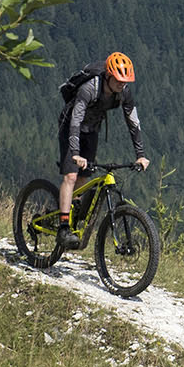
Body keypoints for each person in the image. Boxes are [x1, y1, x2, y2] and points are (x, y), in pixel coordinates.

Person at [57, 52, 149, 250]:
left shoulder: (124, 93)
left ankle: (74, 213)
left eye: (125, 81)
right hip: (70, 127)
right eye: (118, 80)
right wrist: (75, 153)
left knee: (85, 177)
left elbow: (133, 123)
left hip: (92, 129)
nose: (122, 84)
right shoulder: (89, 88)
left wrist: (140, 155)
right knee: (71, 176)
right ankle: (63, 228)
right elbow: (75, 121)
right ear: (108, 75)